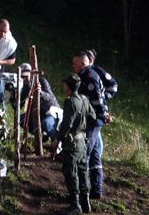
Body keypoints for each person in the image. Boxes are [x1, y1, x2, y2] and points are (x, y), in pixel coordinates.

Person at [73, 51, 112, 200]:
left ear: (83, 64)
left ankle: (83, 191)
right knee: (95, 155)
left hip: (94, 121)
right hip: (93, 119)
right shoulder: (84, 76)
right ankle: (96, 189)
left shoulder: (90, 78)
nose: (73, 66)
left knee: (86, 153)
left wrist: (103, 115)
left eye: (75, 64)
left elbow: (98, 100)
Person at [58, 74, 96, 214]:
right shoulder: (84, 99)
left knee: (71, 172)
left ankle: (75, 205)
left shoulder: (71, 102)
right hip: (82, 142)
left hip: (72, 144)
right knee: (82, 170)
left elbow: (66, 123)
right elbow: (93, 117)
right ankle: (85, 202)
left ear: (68, 86)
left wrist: (59, 138)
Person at [14, 63, 61, 142]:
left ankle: (57, 140)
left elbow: (50, 98)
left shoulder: (42, 81)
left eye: (26, 76)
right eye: (22, 77)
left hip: (50, 112)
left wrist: (40, 93)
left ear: (32, 75)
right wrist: (13, 97)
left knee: (46, 123)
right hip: (37, 113)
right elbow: (18, 105)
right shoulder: (26, 87)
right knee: (21, 120)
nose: (25, 79)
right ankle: (41, 136)